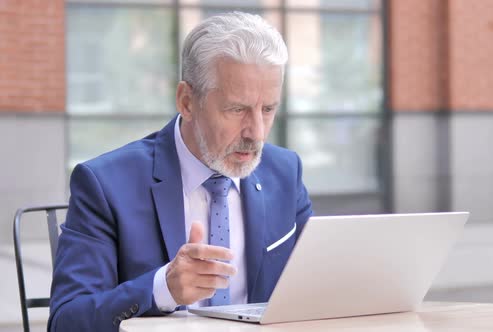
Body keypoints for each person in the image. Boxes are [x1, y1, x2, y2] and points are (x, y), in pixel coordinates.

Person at [48, 12, 313, 331]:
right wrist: (162, 288)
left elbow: (319, 290)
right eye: (237, 109)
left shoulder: (284, 172)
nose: (256, 132)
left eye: (268, 109)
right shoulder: (105, 184)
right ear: (187, 101)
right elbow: (66, 321)